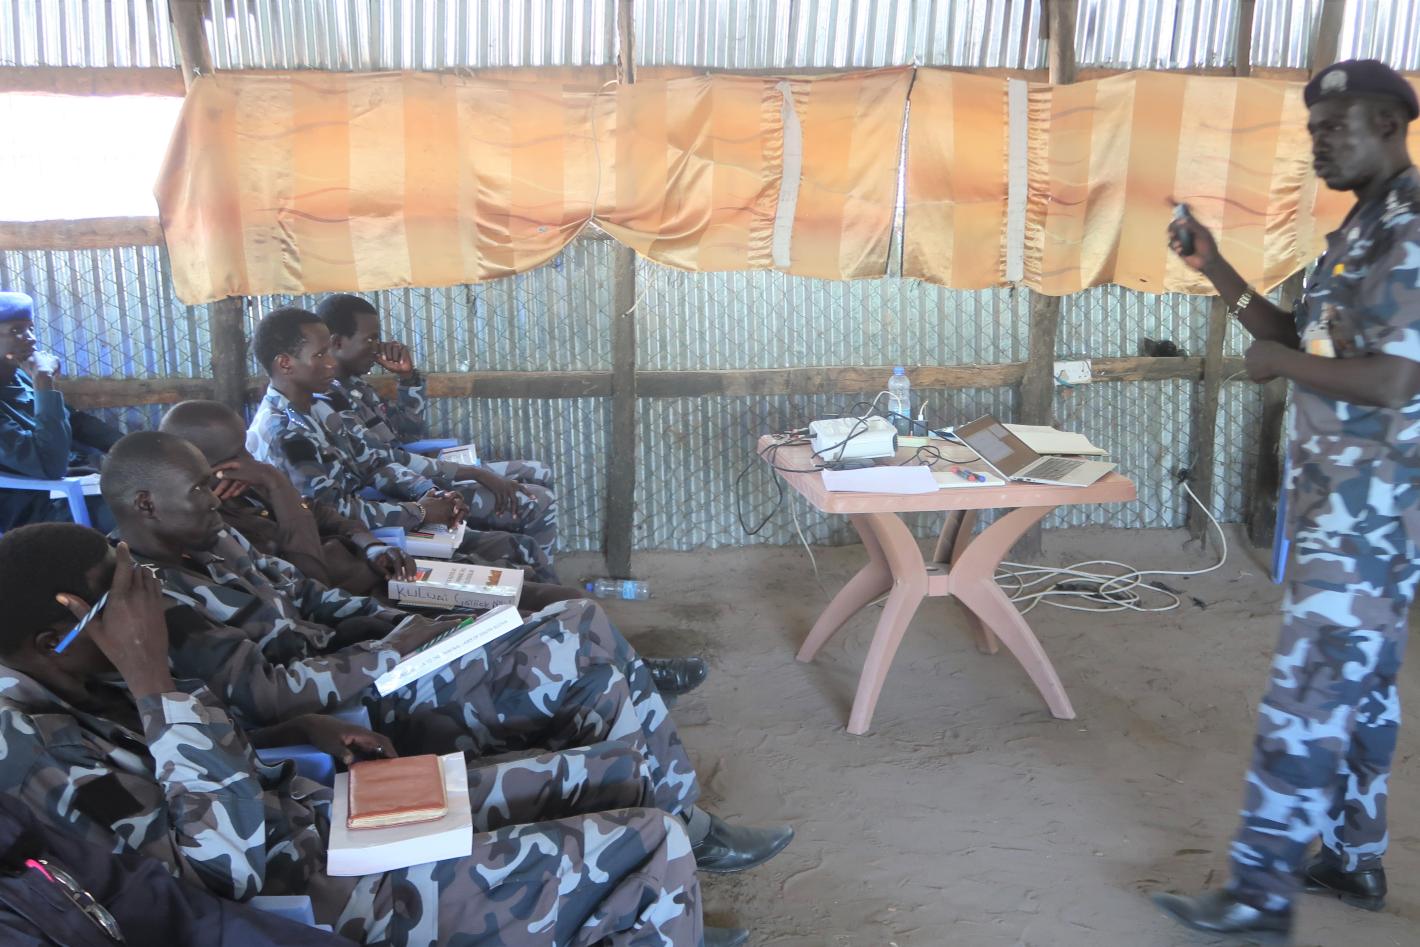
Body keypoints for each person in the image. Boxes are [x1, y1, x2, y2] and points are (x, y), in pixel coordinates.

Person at [0, 524, 750, 946]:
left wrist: (292, 731)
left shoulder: (85, 679)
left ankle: (655, 909)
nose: (146, 603)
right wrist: (153, 682)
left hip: (324, 814)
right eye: (121, 597)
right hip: (307, 895)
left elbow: (215, 755)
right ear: (51, 636)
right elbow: (225, 875)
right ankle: (653, 901)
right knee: (654, 841)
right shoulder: (35, 753)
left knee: (614, 771)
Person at [100, 431, 788, 874]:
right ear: (145, 504)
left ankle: (679, 825)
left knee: (570, 628)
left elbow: (313, 601)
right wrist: (390, 646)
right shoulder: (157, 598)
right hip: (357, 699)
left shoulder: (216, 543)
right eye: (199, 488)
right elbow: (266, 693)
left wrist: (417, 621)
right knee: (571, 635)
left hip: (382, 646)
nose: (216, 498)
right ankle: (677, 832)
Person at [1154, 59, 1420, 938]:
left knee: (1307, 694)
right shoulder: (1358, 232)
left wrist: (1278, 369)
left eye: (1333, 129)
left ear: (1388, 123)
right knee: (1367, 691)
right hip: (1346, 512)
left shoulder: (1412, 230)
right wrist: (1217, 267)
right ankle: (1351, 858)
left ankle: (1260, 893)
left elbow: (1389, 379)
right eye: (1312, 133)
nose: (1319, 146)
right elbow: (1290, 330)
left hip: (1369, 517)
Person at [247, 307, 558, 582]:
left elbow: (374, 463)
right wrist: (419, 511)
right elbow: (333, 513)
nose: (331, 363)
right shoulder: (285, 433)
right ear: (285, 364)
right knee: (519, 557)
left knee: (521, 552)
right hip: (356, 548)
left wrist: (429, 492)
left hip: (385, 522)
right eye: (320, 355)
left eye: (330, 351)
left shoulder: (317, 406)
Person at [0, 793, 352, 946]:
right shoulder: (34, 748)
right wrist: (159, 695)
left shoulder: (9, 829)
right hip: (295, 873)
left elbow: (167, 910)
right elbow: (230, 871)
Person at [318, 292, 557, 493]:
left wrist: (408, 378)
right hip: (406, 485)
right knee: (535, 496)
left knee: (540, 472)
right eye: (370, 340)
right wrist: (466, 471)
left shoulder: (356, 387)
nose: (378, 348)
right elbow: (384, 459)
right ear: (337, 342)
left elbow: (408, 431)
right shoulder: (330, 399)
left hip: (420, 468)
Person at [0, 291, 121, 532]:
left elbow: (74, 421)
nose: (31, 339)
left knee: (162, 491)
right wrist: (44, 382)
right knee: (145, 514)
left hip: (68, 483)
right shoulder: (35, 377)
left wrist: (132, 447)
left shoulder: (18, 376)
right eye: (15, 331)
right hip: (31, 504)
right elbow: (50, 464)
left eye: (30, 328)